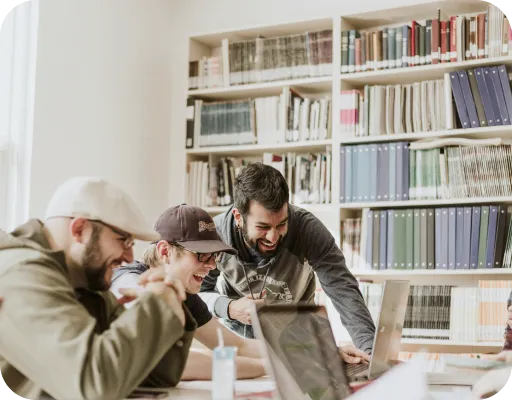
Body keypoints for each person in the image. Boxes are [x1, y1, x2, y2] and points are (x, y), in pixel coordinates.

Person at [0, 177, 195, 400]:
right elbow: (95, 386)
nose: (130, 257)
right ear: (80, 229)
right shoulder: (24, 274)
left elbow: (154, 375)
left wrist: (169, 300)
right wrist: (157, 304)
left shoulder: (86, 283)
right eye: (123, 240)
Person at [199, 162, 375, 361]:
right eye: (262, 227)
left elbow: (343, 289)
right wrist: (229, 308)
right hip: (241, 346)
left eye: (282, 224)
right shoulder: (216, 234)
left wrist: (371, 354)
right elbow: (199, 294)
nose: (273, 237)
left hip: (299, 342)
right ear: (238, 217)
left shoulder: (308, 229)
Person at [110, 204, 266, 380]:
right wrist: (269, 367)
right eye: (202, 254)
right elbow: (172, 361)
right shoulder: (129, 281)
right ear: (165, 251)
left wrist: (291, 355)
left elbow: (236, 346)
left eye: (214, 256)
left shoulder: (183, 292)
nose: (212, 265)